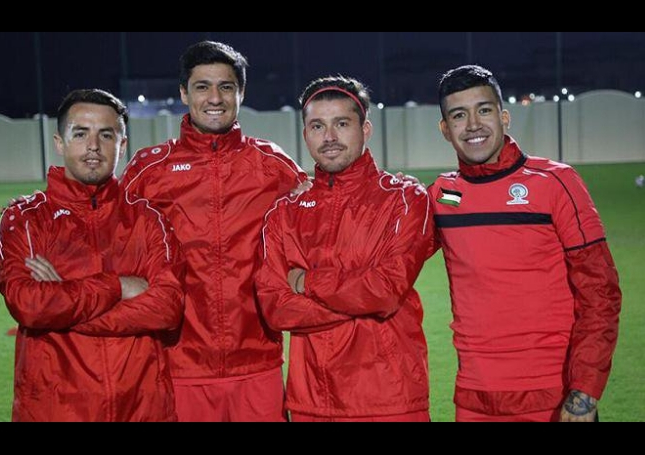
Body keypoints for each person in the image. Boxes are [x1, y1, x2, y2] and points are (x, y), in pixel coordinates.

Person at [120, 41, 308, 422]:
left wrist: (394, 185)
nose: (214, 98)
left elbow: (323, 209)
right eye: (202, 86)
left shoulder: (272, 163)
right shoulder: (150, 170)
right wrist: (35, 206)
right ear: (183, 93)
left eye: (226, 86)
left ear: (241, 93)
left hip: (258, 359)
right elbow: (101, 222)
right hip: (180, 361)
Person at [429, 65, 622, 422]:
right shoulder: (442, 195)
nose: (473, 124)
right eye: (459, 115)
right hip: (474, 400)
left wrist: (584, 392)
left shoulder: (556, 183)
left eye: (484, 110)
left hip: (554, 399)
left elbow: (601, 293)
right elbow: (385, 256)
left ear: (504, 116)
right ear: (445, 129)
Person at [0, 89, 185, 422]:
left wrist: (65, 307)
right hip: (55, 411)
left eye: (106, 135)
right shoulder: (25, 219)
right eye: (80, 133)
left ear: (122, 145)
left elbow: (167, 308)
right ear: (60, 142)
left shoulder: (148, 219)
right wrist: (117, 288)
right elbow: (30, 305)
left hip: (141, 409)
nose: (93, 146)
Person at [256, 76, 434, 422]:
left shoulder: (404, 199)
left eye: (342, 123)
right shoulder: (285, 212)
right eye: (317, 126)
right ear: (305, 134)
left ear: (365, 128)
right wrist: (363, 303)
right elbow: (276, 310)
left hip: (391, 400)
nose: (330, 137)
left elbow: (385, 290)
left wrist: (307, 284)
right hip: (313, 403)